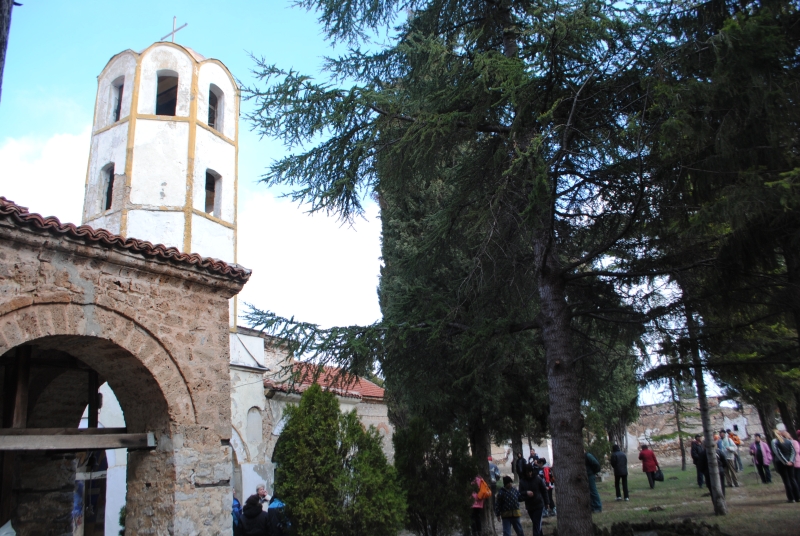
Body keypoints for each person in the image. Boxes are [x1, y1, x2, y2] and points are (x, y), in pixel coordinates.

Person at [771, 428, 800, 502]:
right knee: (792, 479)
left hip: (781, 463)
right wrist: (791, 460)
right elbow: (793, 452)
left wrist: (786, 462)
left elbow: (778, 453)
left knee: (787, 480)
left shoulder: (775, 441)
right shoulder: (788, 441)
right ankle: (797, 497)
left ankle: (791, 498)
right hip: (790, 462)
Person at [518, 464, 547, 536]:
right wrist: (526, 492)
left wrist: (547, 502)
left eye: (530, 472)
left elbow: (544, 490)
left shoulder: (537, 479)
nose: (529, 474)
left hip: (539, 504)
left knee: (536, 524)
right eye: (527, 472)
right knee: (536, 524)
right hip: (529, 506)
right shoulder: (522, 481)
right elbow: (519, 493)